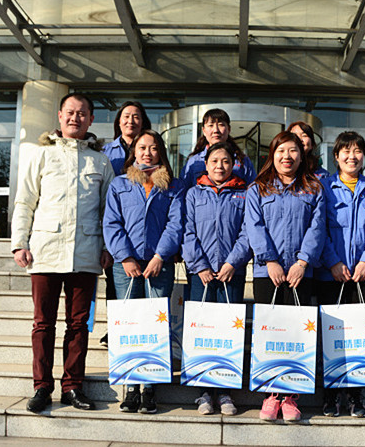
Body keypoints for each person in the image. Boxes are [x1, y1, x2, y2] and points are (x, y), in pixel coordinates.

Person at [11, 93, 115, 413]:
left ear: (91, 119)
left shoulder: (100, 161)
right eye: (70, 112)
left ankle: (73, 386)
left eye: (82, 113)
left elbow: (108, 211)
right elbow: (25, 201)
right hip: (45, 251)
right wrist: (20, 242)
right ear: (59, 116)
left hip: (85, 252)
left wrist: (107, 247)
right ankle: (42, 386)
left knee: (78, 325)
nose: (75, 118)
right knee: (43, 324)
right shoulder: (41, 155)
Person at [245, 131, 326, 422]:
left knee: (295, 334)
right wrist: (270, 260)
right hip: (267, 272)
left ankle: (290, 395)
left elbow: (318, 227)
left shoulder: (313, 188)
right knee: (269, 333)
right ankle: (270, 394)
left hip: (300, 273)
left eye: (293, 151)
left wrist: (303, 262)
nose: (286, 156)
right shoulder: (258, 188)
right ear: (272, 155)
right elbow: (254, 226)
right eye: (281, 151)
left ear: (301, 156)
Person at [103, 129, 185, 415]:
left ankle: (149, 387)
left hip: (159, 265)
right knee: (129, 324)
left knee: (154, 325)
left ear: (161, 151)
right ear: (134, 152)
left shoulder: (172, 185)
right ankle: (130, 386)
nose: (147, 153)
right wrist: (125, 257)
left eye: (153, 148)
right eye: (142, 148)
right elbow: (112, 223)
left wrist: (161, 256)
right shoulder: (120, 184)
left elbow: (175, 224)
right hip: (126, 266)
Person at [316, 131, 365, 417]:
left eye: (357, 151)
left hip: (363, 275)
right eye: (345, 151)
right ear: (336, 156)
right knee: (331, 336)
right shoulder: (324, 187)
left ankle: (356, 395)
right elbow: (318, 227)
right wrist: (333, 262)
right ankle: (331, 395)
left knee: (360, 336)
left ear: (364, 156)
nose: (352, 156)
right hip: (330, 275)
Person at [181, 141, 252, 416]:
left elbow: (247, 232)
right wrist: (199, 265)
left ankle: (224, 391)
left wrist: (233, 262)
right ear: (206, 165)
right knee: (202, 331)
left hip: (231, 273)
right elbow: (187, 232)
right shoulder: (193, 193)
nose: (220, 166)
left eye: (225, 161)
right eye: (214, 161)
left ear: (233, 164)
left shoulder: (244, 193)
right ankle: (202, 392)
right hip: (201, 274)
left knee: (227, 331)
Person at [100, 101, 152, 348]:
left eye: (136, 116)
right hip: (113, 225)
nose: (131, 121)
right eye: (126, 116)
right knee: (114, 280)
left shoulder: (150, 148)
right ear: (118, 121)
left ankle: (142, 333)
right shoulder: (105, 151)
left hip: (142, 230)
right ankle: (116, 329)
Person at [179, 108, 256, 189]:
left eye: (221, 125)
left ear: (229, 129)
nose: (216, 130)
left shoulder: (242, 160)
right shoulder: (194, 162)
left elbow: (253, 189)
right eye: (211, 125)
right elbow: (183, 189)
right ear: (204, 130)